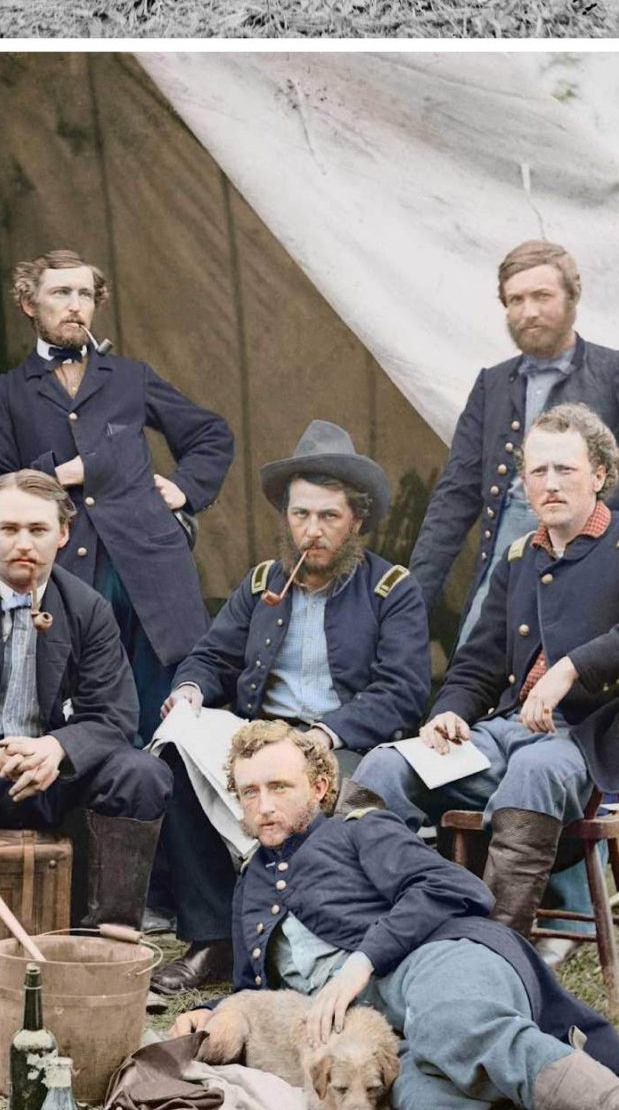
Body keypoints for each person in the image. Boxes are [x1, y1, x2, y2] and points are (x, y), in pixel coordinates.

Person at [173, 720, 619, 1110]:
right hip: (383, 1030)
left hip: (440, 958)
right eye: (250, 792)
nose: (265, 805)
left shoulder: (358, 831)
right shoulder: (251, 882)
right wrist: (209, 1014)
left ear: (320, 788)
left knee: (455, 1025)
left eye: (280, 787)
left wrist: (362, 963)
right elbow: (253, 986)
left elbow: (456, 889)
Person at [354, 403, 619, 938]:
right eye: (537, 471)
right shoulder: (521, 556)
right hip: (504, 734)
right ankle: (389, 924)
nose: (549, 483)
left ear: (599, 474)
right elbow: (477, 662)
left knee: (535, 771)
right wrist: (449, 713)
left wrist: (572, 667)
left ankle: (497, 946)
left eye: (564, 469)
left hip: (587, 743)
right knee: (384, 768)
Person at [150, 421, 430, 998]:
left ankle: (305, 940)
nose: (312, 531)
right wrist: (192, 692)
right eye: (301, 515)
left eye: (328, 517)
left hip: (344, 744)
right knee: (172, 756)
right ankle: (213, 938)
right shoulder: (261, 586)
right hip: (262, 735)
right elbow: (210, 657)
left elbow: (402, 689)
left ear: (357, 520)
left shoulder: (392, 590)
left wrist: (328, 733)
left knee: (305, 790)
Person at [0, 248, 233, 743]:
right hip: (69, 571)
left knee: (171, 721)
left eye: (85, 295)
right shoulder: (8, 393)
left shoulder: (130, 377)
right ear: (30, 304)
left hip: (152, 566)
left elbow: (211, 435)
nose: (75, 305)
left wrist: (183, 487)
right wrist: (60, 474)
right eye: (61, 293)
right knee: (88, 717)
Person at [0, 471, 172, 928]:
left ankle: (106, 939)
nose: (24, 543)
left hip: (50, 776)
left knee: (141, 773)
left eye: (39, 530)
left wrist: (58, 750)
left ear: (63, 534)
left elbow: (114, 715)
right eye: (9, 529)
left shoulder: (88, 608)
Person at [408, 237, 619, 635]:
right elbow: (454, 497)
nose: (529, 312)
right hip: (503, 571)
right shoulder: (492, 385)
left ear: (572, 298)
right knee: (473, 679)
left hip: (584, 572)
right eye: (515, 300)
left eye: (542, 296)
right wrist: (412, 604)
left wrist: (601, 504)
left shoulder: (616, 370)